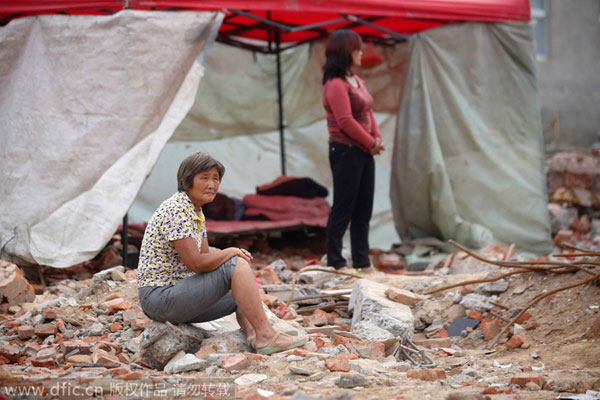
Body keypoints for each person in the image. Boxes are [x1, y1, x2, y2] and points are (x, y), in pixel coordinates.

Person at [137, 152, 307, 355]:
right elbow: (197, 264)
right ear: (187, 180)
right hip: (159, 298)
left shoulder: (195, 211)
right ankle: (266, 335)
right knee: (235, 264)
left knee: (241, 290)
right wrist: (232, 253)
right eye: (204, 178)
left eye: (215, 178)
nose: (211, 184)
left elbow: (207, 257)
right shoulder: (177, 209)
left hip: (177, 294)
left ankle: (255, 335)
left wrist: (232, 261)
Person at [322, 29, 385, 273]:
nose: (361, 52)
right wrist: (370, 142)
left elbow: (368, 112)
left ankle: (362, 261)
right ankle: (336, 261)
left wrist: (376, 139)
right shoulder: (335, 85)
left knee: (363, 207)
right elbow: (346, 121)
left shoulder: (358, 81)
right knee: (344, 206)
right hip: (345, 151)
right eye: (357, 48)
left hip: (365, 151)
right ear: (346, 52)